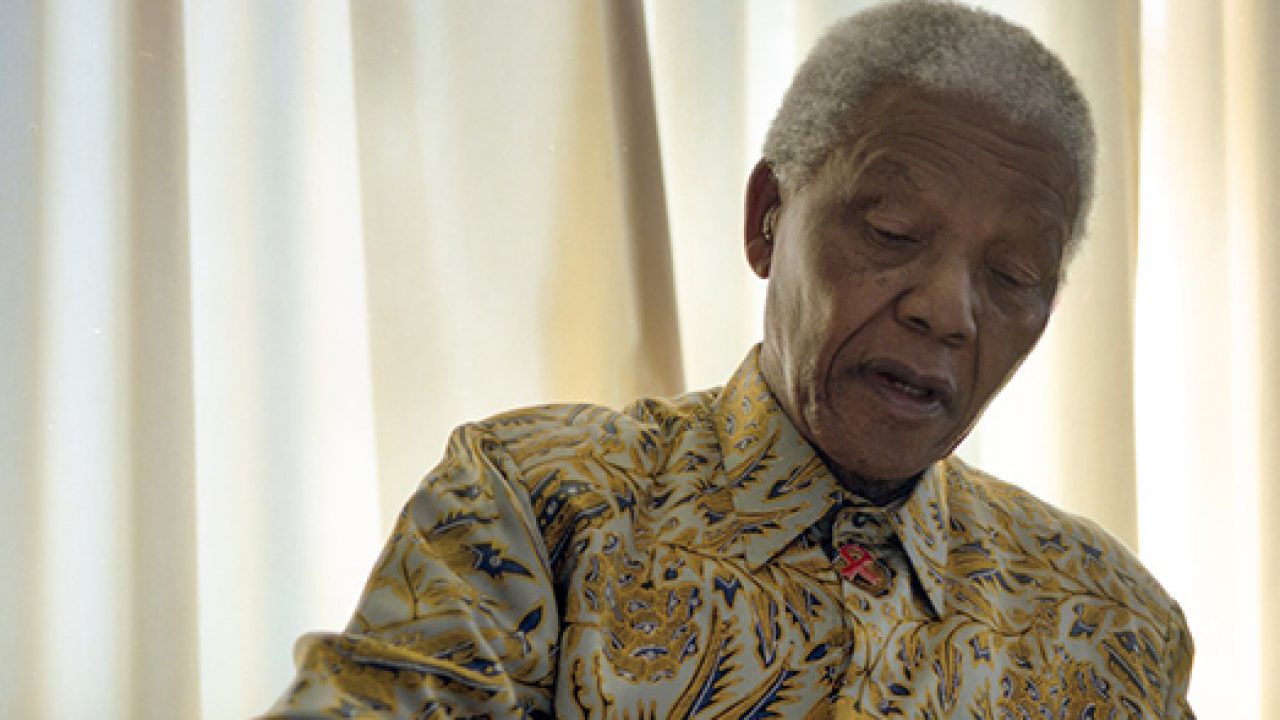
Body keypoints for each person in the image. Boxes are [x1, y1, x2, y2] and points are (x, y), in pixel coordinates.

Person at [263, 1, 1194, 717]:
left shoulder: (1113, 621)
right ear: (766, 220)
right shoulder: (535, 509)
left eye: (1012, 275)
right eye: (892, 230)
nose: (947, 312)